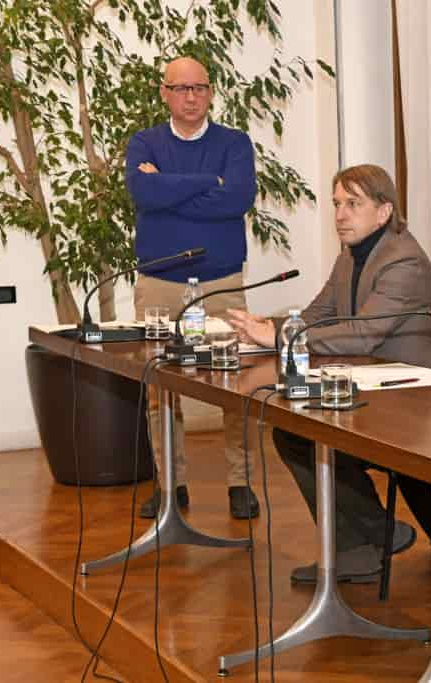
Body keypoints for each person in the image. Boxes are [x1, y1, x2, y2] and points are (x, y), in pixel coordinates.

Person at [229, 164, 431, 584]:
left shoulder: (403, 259)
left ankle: (373, 537)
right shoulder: (350, 257)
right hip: (378, 389)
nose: (339, 214)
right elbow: (316, 315)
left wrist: (280, 337)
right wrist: (269, 328)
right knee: (294, 431)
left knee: (310, 433)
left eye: (353, 204)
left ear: (383, 212)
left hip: (421, 400)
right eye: (337, 203)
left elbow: (363, 333)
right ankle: (365, 542)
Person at [125, 56, 260, 520]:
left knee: (235, 381)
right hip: (159, 280)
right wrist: (208, 185)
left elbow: (238, 198)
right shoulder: (144, 142)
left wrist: (168, 188)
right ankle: (170, 484)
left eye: (198, 87)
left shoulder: (235, 143)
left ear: (211, 92)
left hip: (220, 278)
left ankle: (240, 482)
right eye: (180, 88)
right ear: (164, 92)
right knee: (161, 388)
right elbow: (144, 196)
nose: (190, 96)